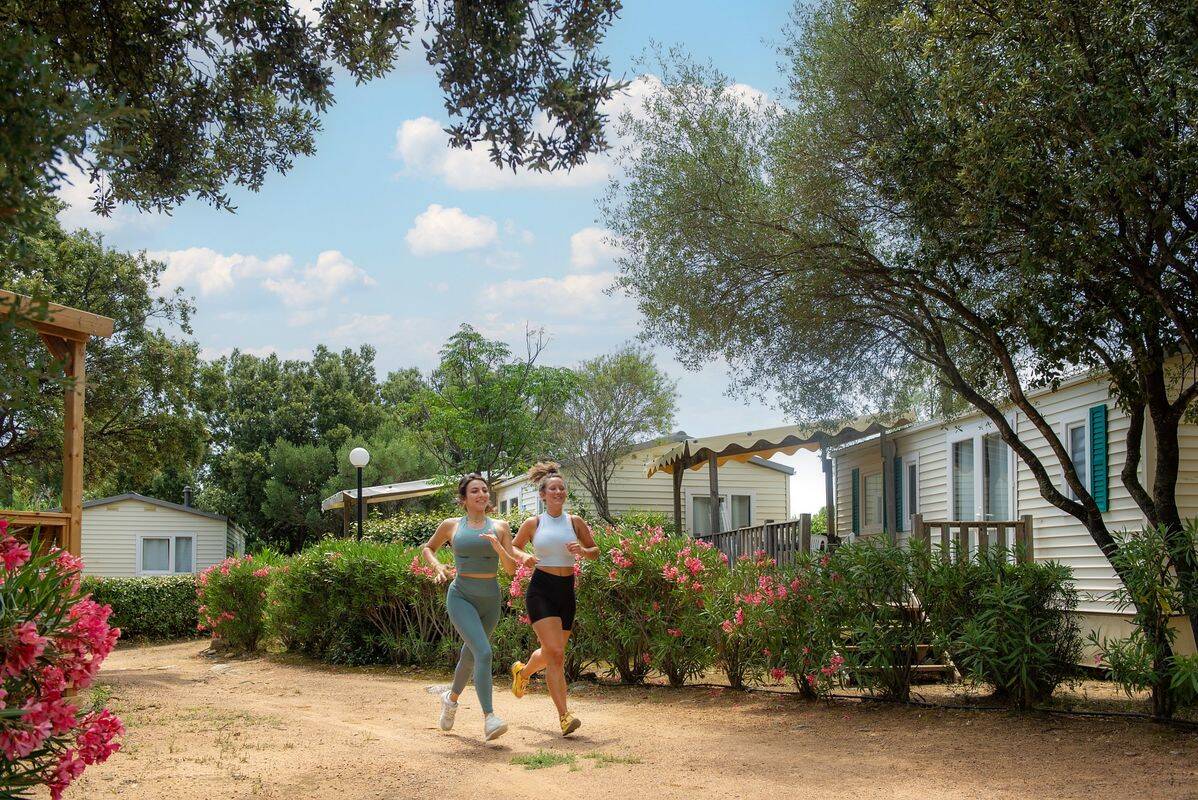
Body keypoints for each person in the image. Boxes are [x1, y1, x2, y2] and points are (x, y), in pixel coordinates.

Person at [421, 473, 528, 741]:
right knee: (484, 651)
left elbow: (510, 569)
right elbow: (428, 549)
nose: (481, 495)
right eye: (474, 491)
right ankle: (490, 717)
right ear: (464, 499)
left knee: (471, 655)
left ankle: (451, 699)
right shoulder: (451, 525)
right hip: (461, 597)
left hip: (490, 599)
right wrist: (439, 567)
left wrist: (499, 548)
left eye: (484, 490)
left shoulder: (501, 526)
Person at [509, 461, 599, 736]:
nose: (558, 492)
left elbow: (595, 550)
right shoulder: (534, 522)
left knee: (552, 654)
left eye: (562, 488)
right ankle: (564, 717)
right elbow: (513, 546)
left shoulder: (575, 522)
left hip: (566, 590)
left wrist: (582, 552)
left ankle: (522, 673)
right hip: (541, 589)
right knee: (557, 654)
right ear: (543, 495)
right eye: (553, 488)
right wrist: (524, 556)